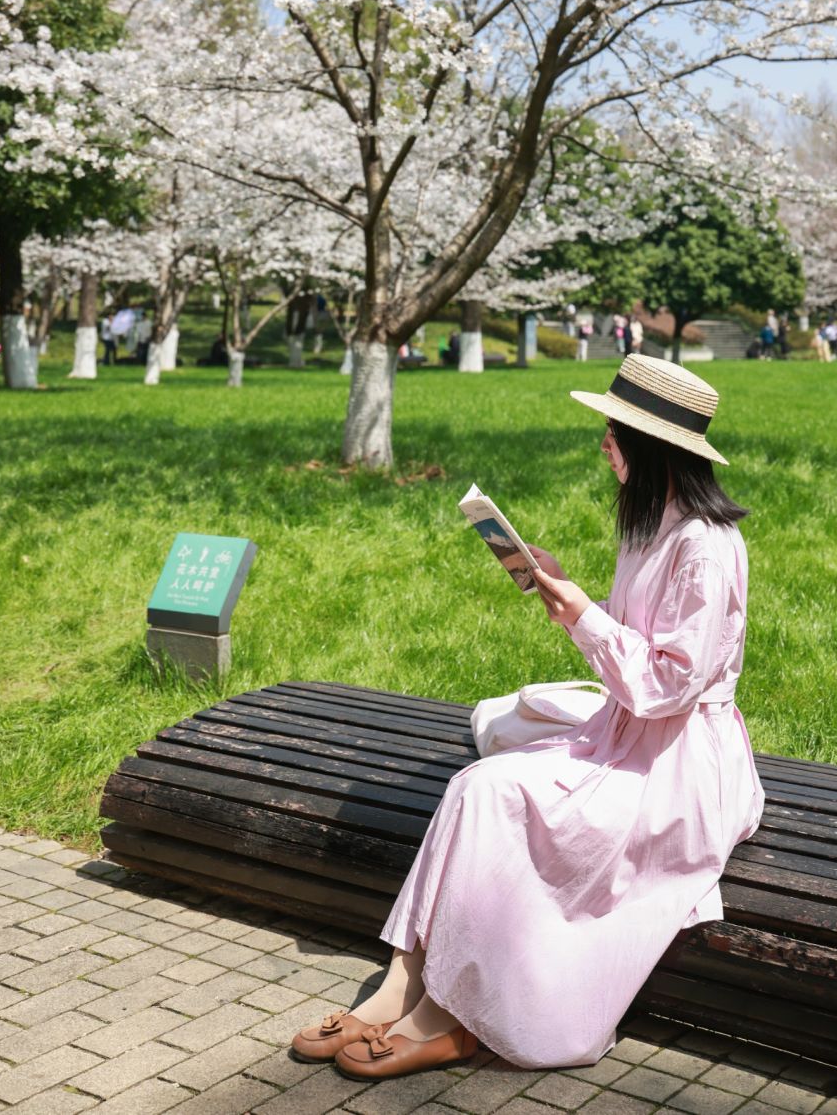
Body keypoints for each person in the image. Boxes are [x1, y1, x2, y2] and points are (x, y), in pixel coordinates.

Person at [291, 356, 764, 1081]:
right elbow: (642, 647)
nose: (603, 441)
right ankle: (401, 985)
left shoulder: (704, 544)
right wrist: (571, 591)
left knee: (497, 792)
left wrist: (580, 617)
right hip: (632, 739)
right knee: (476, 786)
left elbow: (669, 685)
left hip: (679, 767)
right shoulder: (650, 525)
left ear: (652, 444)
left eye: (613, 430)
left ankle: (452, 1015)